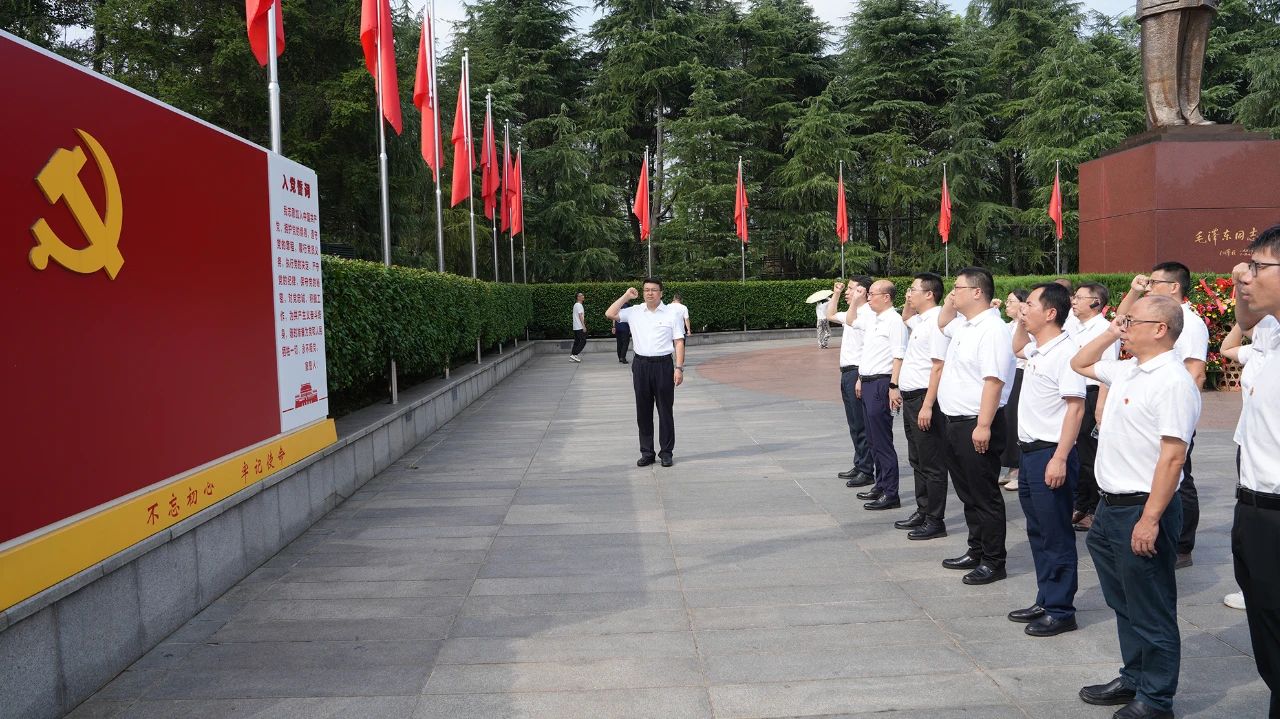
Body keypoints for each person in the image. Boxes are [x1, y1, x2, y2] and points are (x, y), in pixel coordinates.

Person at [1070, 294, 1201, 719]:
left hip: (1145, 508)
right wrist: (1111, 329)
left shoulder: (1172, 381)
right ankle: (1134, 676)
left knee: (1152, 606)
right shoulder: (1128, 369)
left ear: (1160, 329)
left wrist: (1150, 519)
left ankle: (1157, 698)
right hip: (1111, 507)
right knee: (1124, 601)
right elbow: (1079, 363)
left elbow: (1173, 457)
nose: (1125, 326)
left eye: (1133, 321)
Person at [1114, 262, 1208, 569]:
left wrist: (1186, 419)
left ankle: (1182, 543)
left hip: (1173, 411)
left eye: (1155, 283)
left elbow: (1195, 370)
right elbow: (1121, 319)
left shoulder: (1189, 323)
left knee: (1180, 474)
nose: (1149, 286)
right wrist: (1135, 290)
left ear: (1174, 287)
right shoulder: (1151, 315)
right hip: (1149, 410)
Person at [1007, 283, 1086, 637]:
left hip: (1051, 453)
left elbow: (1076, 408)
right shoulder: (1040, 349)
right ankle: (1046, 595)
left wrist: (1060, 457)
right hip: (1030, 453)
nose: (1025, 308)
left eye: (1031, 304)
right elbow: (1016, 347)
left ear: (1051, 312)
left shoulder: (1066, 353)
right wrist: (1022, 321)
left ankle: (1060, 609)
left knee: (1055, 533)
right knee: (1038, 529)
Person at [935, 266, 1017, 585]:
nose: (953, 292)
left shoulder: (992, 330)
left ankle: (994, 560)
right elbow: (943, 323)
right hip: (955, 421)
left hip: (977, 423)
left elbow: (993, 380)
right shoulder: (965, 325)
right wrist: (950, 301)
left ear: (977, 292)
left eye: (958, 288)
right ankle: (976, 548)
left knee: (984, 495)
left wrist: (983, 425)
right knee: (967, 492)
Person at [1230, 224, 1280, 717]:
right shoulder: (1272, 332)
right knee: (1268, 639)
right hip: (1254, 507)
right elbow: (1246, 320)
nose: (1247, 274)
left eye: (1259, 266)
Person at [895, 272, 953, 540]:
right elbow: (906, 317)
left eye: (914, 289)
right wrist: (908, 299)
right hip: (910, 398)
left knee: (932, 463)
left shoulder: (937, 323)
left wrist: (928, 405)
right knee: (917, 458)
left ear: (930, 294)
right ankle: (923, 509)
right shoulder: (921, 320)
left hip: (924, 399)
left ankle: (935, 519)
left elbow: (938, 367)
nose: (909, 293)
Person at [605, 279, 686, 467]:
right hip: (641, 365)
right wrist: (626, 296)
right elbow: (610, 313)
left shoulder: (671, 314)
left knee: (665, 410)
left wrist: (679, 367)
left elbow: (679, 342)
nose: (649, 293)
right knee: (643, 411)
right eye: (646, 290)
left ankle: (666, 452)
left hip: (663, 365)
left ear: (661, 293)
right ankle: (647, 452)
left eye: (654, 290)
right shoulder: (634, 312)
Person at [850, 279, 907, 510]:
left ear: (887, 297)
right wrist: (862, 378)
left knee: (882, 441)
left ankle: (891, 492)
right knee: (873, 439)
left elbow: (899, 356)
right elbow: (851, 320)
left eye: (873, 294)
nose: (869, 297)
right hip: (868, 382)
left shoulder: (894, 321)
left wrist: (894, 386)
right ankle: (881, 485)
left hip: (883, 383)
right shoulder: (873, 319)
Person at [1066, 282, 1117, 533]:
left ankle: (1093, 509)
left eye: (1079, 297)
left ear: (1096, 302)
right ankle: (1081, 504)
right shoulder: (1075, 326)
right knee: (1078, 453)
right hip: (1075, 393)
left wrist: (1100, 408)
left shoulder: (1105, 330)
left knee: (1089, 456)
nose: (1073, 301)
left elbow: (1108, 371)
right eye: (1074, 296)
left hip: (1093, 393)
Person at [827, 276, 877, 488]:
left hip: (858, 372)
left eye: (850, 288)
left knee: (862, 424)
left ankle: (867, 470)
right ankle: (859, 463)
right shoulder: (852, 313)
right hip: (847, 372)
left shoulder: (869, 315)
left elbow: (868, 348)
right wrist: (836, 293)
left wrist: (860, 378)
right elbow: (830, 315)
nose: (847, 291)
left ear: (863, 291)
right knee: (854, 423)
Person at [1001, 289, 1029, 491]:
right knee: (1008, 421)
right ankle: (1012, 467)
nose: (1006, 304)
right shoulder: (1007, 325)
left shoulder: (1027, 326)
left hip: (1022, 374)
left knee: (1016, 421)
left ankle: (1019, 470)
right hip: (1009, 376)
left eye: (1011, 301)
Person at [569, 292, 587, 362]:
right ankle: (574, 354)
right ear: (578, 297)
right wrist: (584, 326)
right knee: (583, 341)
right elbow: (580, 316)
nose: (583, 296)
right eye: (581, 295)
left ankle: (573, 356)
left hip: (576, 326)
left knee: (577, 341)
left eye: (583, 295)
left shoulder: (576, 305)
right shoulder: (579, 305)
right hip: (579, 326)